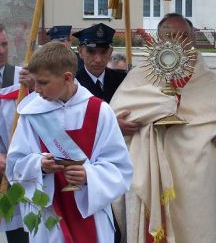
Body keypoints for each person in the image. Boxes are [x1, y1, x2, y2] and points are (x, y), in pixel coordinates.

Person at [110, 13, 216, 243]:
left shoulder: (208, 79)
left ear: (192, 40)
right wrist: (118, 124)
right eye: (168, 36)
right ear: (158, 39)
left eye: (182, 36)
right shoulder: (140, 74)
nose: (175, 42)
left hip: (197, 174)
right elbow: (116, 115)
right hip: (151, 163)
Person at [6, 42, 133, 243]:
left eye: (43, 82)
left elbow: (120, 168)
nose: (36, 89)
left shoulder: (100, 111)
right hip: (49, 213)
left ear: (67, 77)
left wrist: (89, 175)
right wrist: (39, 165)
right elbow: (14, 166)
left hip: (91, 211)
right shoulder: (31, 113)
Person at [0, 25, 29, 242]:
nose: (1, 50)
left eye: (4, 44)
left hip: (15, 172)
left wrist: (35, 86)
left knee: (19, 233)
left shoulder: (22, 78)